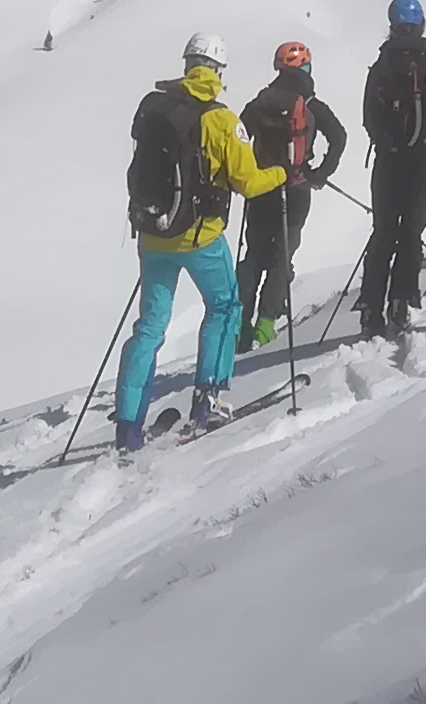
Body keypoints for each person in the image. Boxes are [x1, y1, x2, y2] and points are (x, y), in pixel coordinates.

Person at [114, 30, 286, 454]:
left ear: (188, 64)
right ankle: (207, 401)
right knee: (225, 306)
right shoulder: (222, 120)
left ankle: (128, 425)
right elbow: (247, 182)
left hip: (154, 234)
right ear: (219, 71)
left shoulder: (155, 107)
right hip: (202, 237)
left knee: (150, 326)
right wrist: (283, 173)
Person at [355, 0, 426, 341]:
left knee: (384, 230)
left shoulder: (380, 69)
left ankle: (370, 308)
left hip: (388, 161)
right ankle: (401, 302)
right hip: (425, 159)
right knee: (412, 231)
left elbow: (369, 119)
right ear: (422, 25)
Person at [236, 39, 346, 344]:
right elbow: (339, 137)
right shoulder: (310, 104)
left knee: (254, 254)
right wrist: (320, 174)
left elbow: (239, 139)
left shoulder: (260, 102)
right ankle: (266, 324)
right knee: (283, 254)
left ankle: (239, 324)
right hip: (296, 189)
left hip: (260, 188)